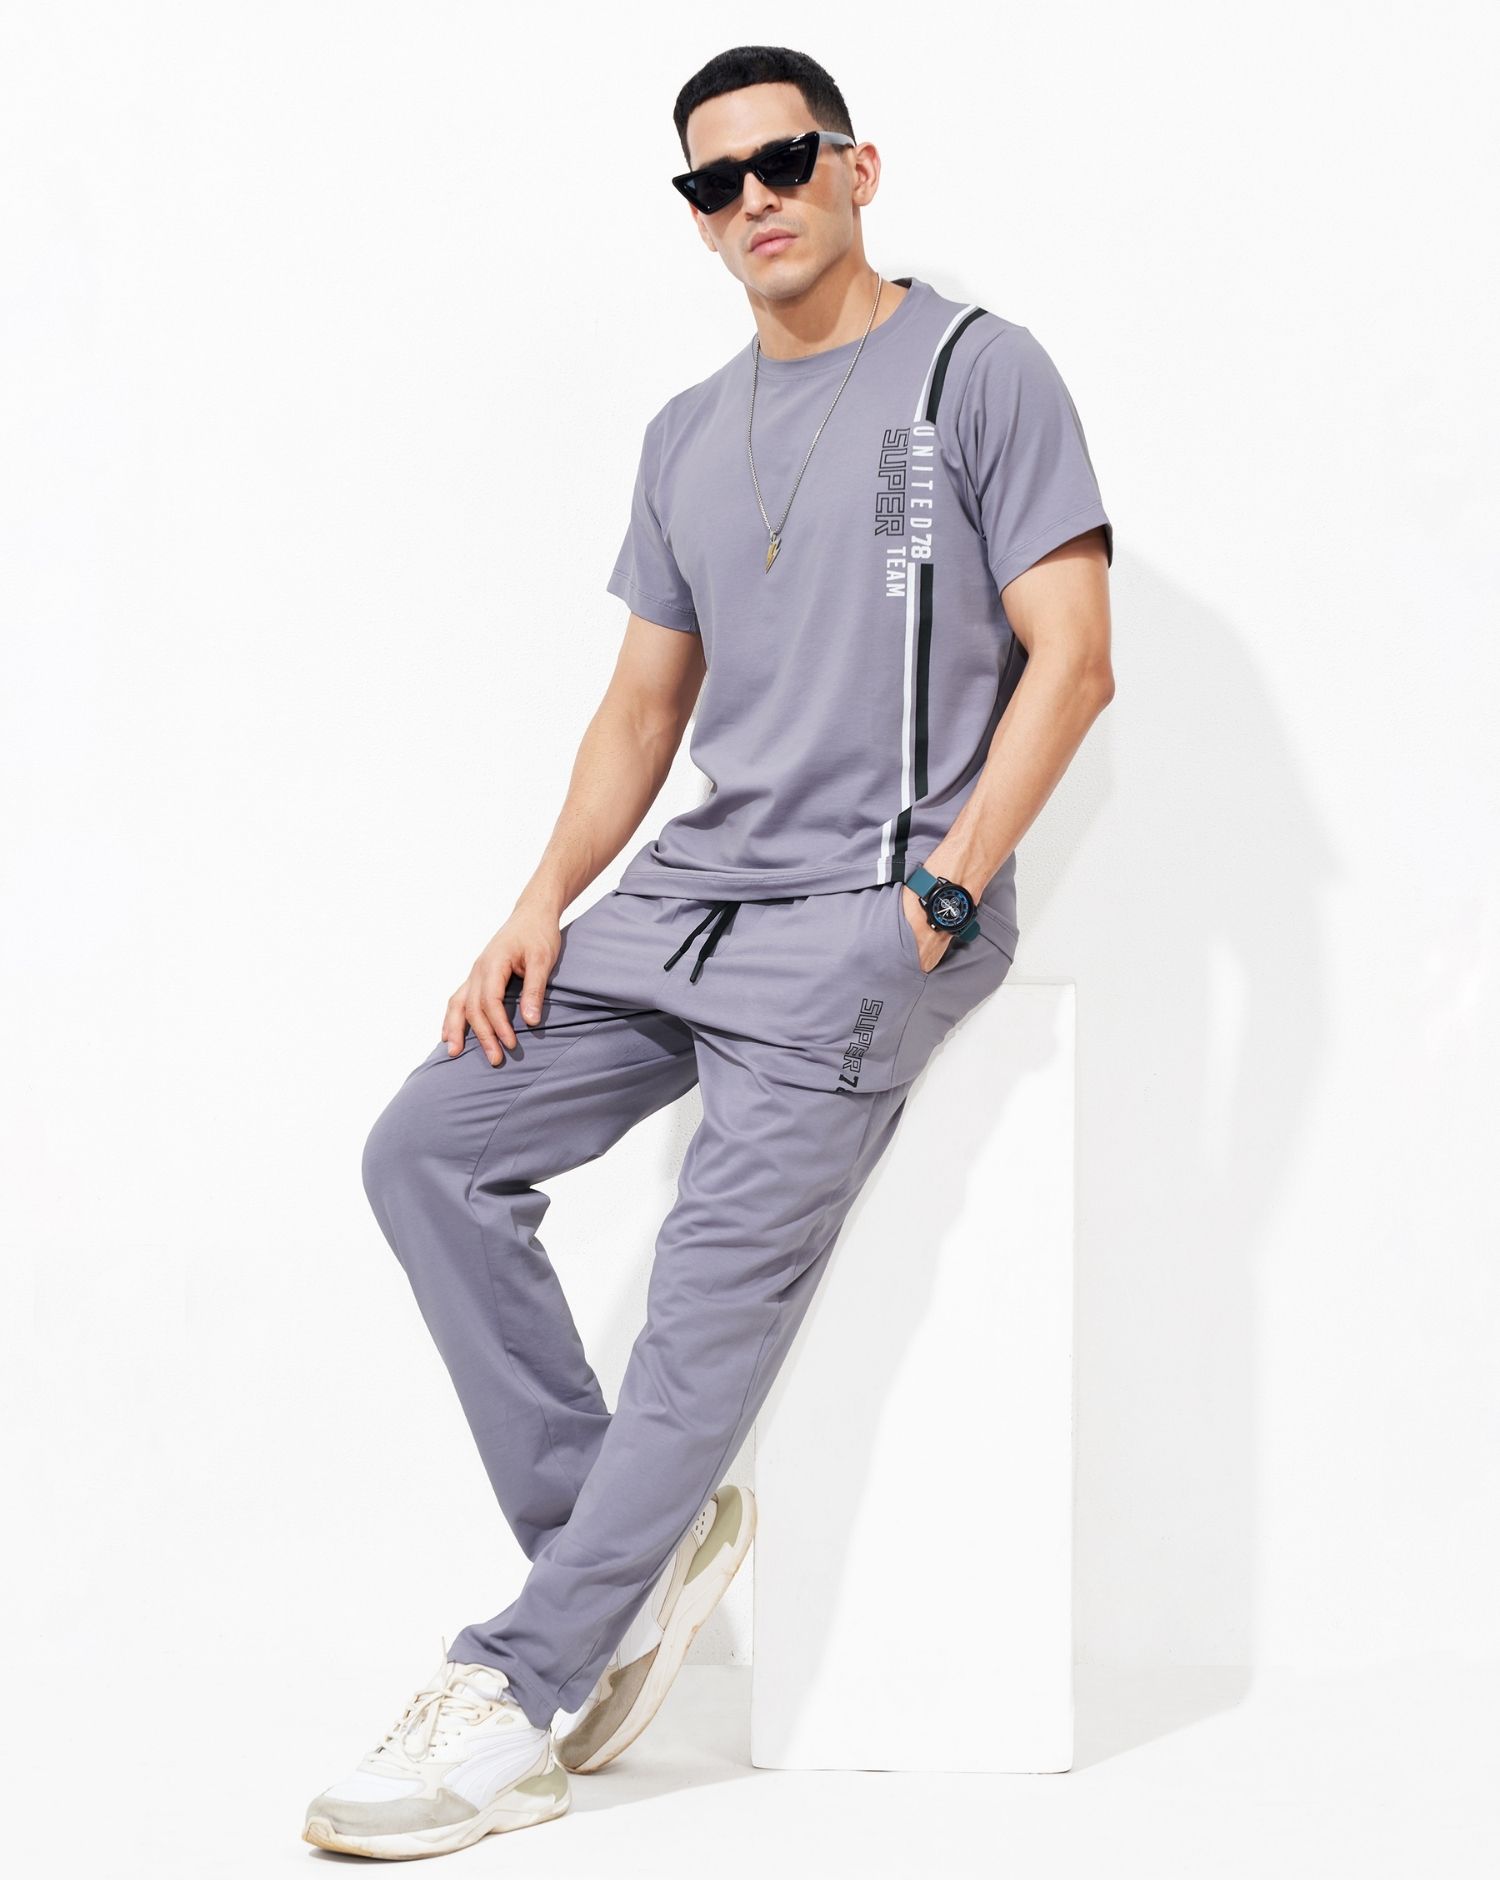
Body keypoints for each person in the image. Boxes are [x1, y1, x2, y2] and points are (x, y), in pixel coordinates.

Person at [304, 42, 1115, 1861]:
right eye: (713, 181)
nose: (753, 198)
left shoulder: (981, 373)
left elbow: (1073, 658)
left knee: (699, 1310)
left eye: (783, 161)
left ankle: (516, 1693)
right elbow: (643, 705)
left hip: (866, 916)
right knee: (427, 1148)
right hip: (688, 899)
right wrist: (539, 900)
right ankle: (626, 1552)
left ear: (856, 169)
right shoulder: (684, 431)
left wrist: (946, 894)